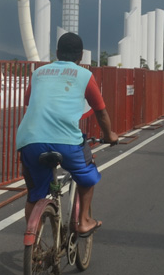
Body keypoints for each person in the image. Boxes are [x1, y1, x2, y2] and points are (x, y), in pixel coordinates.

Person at [16, 32, 119, 237]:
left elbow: (28, 102)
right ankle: (83, 222)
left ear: (56, 53)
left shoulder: (39, 73)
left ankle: (33, 241)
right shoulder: (84, 75)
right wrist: (110, 135)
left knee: (35, 194)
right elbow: (100, 111)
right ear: (81, 56)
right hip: (67, 143)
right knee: (87, 175)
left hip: (30, 141)